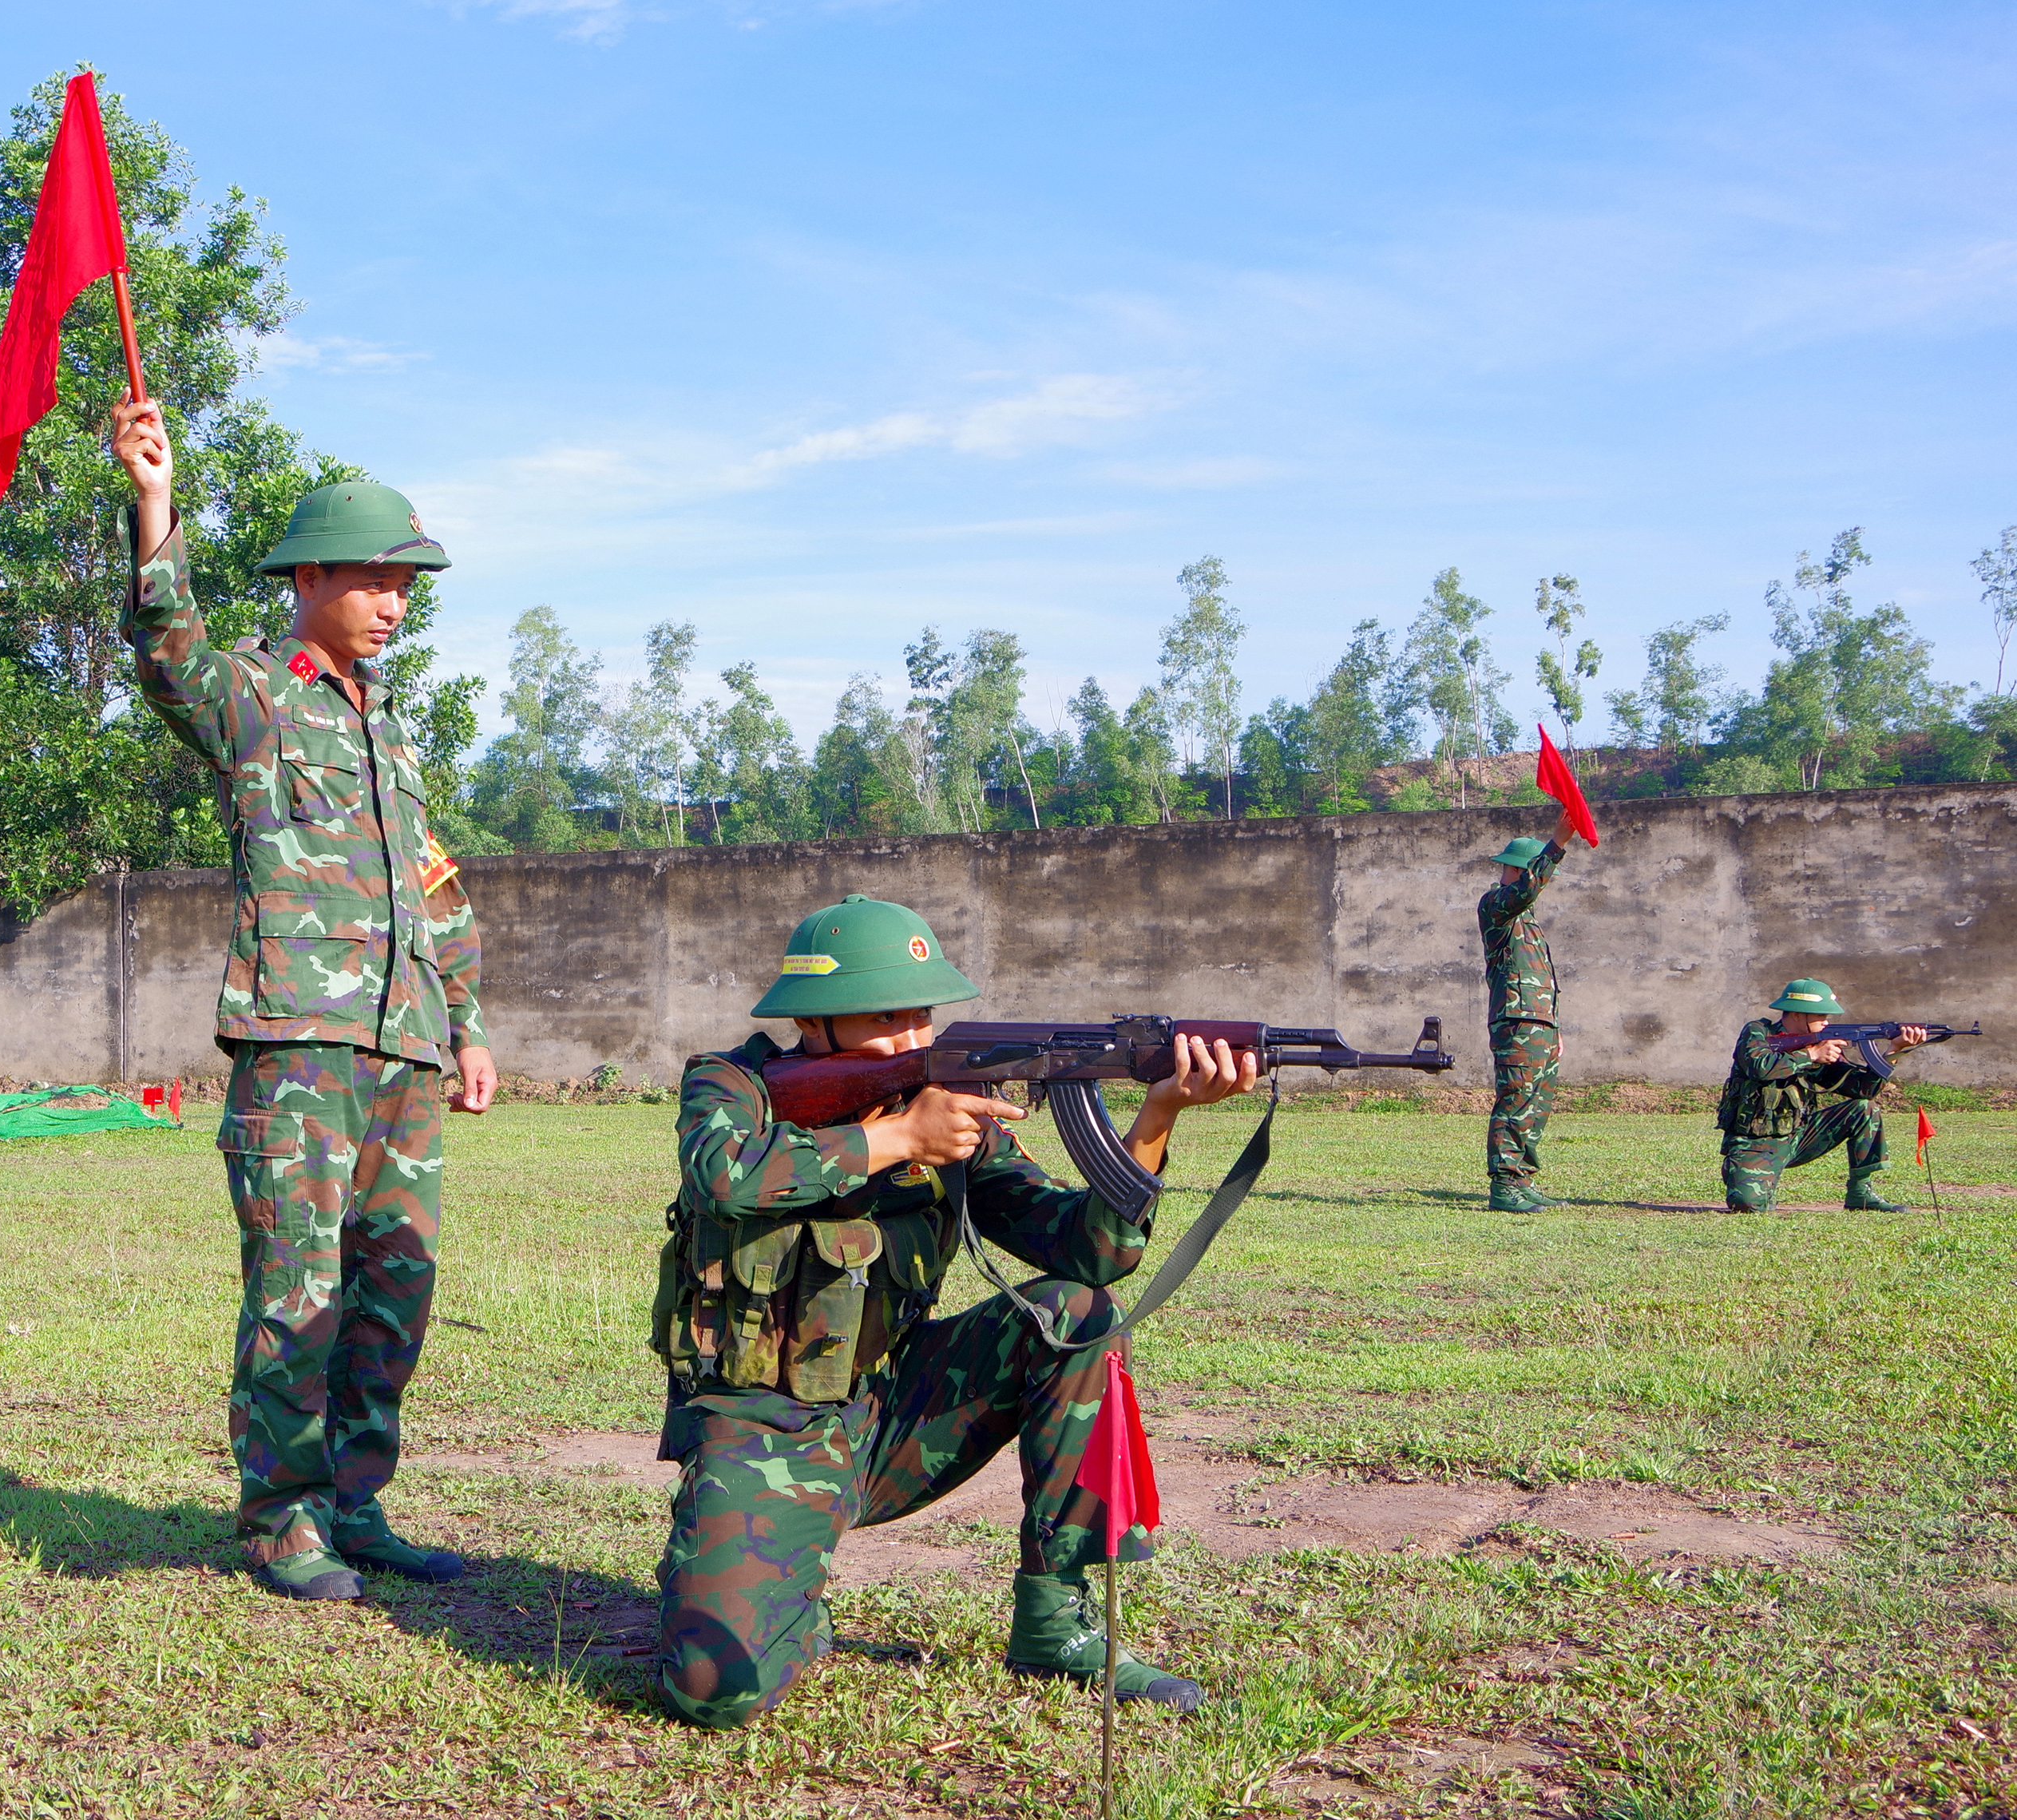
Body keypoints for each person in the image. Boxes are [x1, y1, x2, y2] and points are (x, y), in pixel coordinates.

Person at [648, 893, 1262, 1730]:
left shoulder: (956, 1114)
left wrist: (1155, 1118)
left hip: (894, 1413)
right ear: (816, 1023)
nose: (912, 1039)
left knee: (1076, 1313)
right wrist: (899, 1138)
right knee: (712, 1689)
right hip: (765, 1424)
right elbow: (726, 1172)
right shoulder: (734, 1085)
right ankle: (763, 1577)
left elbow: (1093, 1252)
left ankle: (1055, 1624)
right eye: (887, 1017)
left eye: (924, 1015)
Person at [113, 399, 497, 1601]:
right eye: (376, 577)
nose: (395, 600)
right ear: (310, 578)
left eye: (406, 582)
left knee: (398, 1281)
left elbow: (431, 887)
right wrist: (155, 504)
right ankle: (284, 1517)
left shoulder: (389, 730)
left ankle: (356, 1497)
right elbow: (168, 648)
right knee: (300, 1284)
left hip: (406, 1050)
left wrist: (467, 1022)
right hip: (300, 1043)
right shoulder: (260, 704)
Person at [1718, 980, 1926, 1214]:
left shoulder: (1818, 1047)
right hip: (1757, 1141)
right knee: (1748, 1206)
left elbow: (1863, 1089)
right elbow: (1760, 1067)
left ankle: (1861, 1193)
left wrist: (1895, 1051)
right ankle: (1741, 1170)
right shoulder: (1758, 1032)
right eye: (1820, 1016)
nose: (1826, 1022)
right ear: (1797, 1014)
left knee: (1864, 1108)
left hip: (1800, 1135)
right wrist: (1811, 1055)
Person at [1477, 812, 1581, 1212]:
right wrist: (1557, 843)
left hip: (1539, 1024)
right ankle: (1504, 1185)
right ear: (1518, 871)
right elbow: (1526, 890)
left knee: (1537, 1104)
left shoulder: (1527, 920)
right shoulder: (1497, 906)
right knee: (1517, 1097)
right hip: (1516, 1021)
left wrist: (1553, 1029)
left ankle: (1522, 1179)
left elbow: (1539, 978)